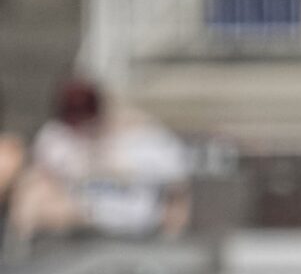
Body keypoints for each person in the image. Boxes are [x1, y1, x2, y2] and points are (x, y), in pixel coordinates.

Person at [8, 78, 192, 253]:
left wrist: (170, 240)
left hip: (139, 233)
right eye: (74, 122)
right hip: (79, 228)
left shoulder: (148, 142)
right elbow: (32, 188)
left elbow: (178, 195)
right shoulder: (57, 138)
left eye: (86, 119)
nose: (81, 128)